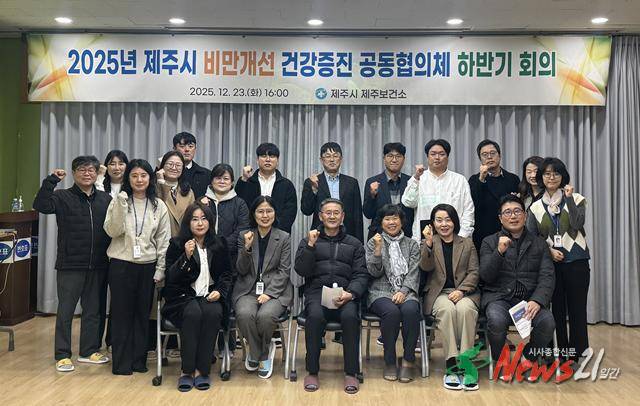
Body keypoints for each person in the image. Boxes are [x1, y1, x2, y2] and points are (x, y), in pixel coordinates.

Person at [33, 156, 111, 372]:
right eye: (82, 170)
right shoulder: (62, 197)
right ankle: (62, 354)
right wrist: (51, 181)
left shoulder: (105, 199)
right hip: (70, 264)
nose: (87, 173)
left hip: (98, 264)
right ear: (74, 173)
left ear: (96, 173)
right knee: (66, 311)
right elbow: (40, 205)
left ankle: (88, 351)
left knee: (93, 311)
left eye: (91, 170)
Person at [104, 159, 171, 375]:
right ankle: (121, 363)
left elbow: (163, 240)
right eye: (134, 176)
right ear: (128, 178)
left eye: (143, 175)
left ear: (150, 178)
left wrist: (161, 269)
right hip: (121, 264)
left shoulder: (158, 205)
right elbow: (112, 231)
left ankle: (138, 360)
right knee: (121, 314)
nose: (139, 180)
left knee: (142, 314)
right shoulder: (119, 200)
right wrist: (121, 204)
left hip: (147, 266)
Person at [294, 198, 369, 394]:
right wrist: (310, 246)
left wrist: (351, 293)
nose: (332, 216)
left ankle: (351, 372)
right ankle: (312, 371)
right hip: (317, 293)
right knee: (315, 317)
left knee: (350, 317)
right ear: (320, 216)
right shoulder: (309, 240)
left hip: (345, 294)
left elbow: (361, 274)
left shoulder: (354, 243)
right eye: (328, 213)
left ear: (343, 216)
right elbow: (301, 270)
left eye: (336, 213)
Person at [479, 195, 555, 381]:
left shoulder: (539, 243)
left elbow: (547, 276)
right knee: (496, 320)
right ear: (500, 218)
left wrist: (537, 300)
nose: (513, 216)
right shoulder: (489, 242)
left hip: (529, 299)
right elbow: (485, 276)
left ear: (525, 215)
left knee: (547, 322)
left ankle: (528, 356)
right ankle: (501, 360)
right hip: (499, 298)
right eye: (507, 212)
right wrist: (499, 252)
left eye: (517, 211)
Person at [162, 202, 232, 392]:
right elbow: (171, 277)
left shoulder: (219, 244)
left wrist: (220, 291)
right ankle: (186, 371)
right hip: (183, 297)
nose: (200, 223)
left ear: (210, 222)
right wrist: (186, 257)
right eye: (194, 219)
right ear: (188, 222)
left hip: (210, 295)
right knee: (193, 313)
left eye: (203, 219)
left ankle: (202, 370)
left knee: (212, 313)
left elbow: (227, 274)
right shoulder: (177, 244)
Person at [527, 157, 590, 361]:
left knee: (577, 309)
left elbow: (577, 223)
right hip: (551, 264)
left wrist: (568, 199)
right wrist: (549, 250)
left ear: (563, 176)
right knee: (557, 310)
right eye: (547, 173)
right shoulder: (535, 207)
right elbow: (532, 237)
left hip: (577, 262)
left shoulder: (577, 198)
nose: (551, 177)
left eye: (556, 173)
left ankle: (577, 353)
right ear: (541, 177)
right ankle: (561, 352)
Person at [420, 204, 480, 390]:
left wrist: (461, 290)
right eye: (439, 220)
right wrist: (428, 244)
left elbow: (474, 272)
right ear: (433, 223)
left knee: (466, 309)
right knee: (447, 310)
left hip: (464, 292)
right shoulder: (428, 243)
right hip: (439, 293)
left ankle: (467, 363)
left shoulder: (467, 243)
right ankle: (452, 365)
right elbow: (425, 267)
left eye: (448, 220)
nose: (444, 224)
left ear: (455, 222)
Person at [234, 196, 293, 379]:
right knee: (244, 314)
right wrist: (247, 248)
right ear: (254, 214)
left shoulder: (284, 237)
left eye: (269, 211)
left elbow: (284, 271)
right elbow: (241, 269)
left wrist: (269, 293)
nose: (265, 215)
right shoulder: (245, 235)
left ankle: (257, 353)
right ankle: (262, 352)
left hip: (276, 291)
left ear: (275, 213)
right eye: (260, 211)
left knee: (266, 316)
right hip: (248, 289)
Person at [365, 204, 420, 382]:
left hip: (407, 291)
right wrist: (378, 251)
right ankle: (389, 360)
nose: (391, 222)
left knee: (411, 310)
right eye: (387, 219)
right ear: (381, 222)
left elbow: (414, 272)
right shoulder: (373, 242)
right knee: (391, 312)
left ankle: (408, 360)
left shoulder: (412, 244)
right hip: (380, 291)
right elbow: (373, 273)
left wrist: (403, 291)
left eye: (395, 218)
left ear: (401, 221)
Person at [401, 139, 474, 241]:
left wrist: (462, 236)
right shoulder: (419, 179)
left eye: (441, 154)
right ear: (427, 157)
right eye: (433, 154)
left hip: (455, 237)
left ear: (447, 157)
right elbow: (408, 202)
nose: (437, 157)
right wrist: (416, 178)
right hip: (425, 238)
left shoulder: (459, 180)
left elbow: (468, 211)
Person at [95, 149, 129, 349]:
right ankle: (95, 342)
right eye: (112, 163)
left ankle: (113, 340)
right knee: (98, 297)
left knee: (118, 299)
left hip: (123, 248)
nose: (117, 168)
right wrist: (99, 177)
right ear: (106, 166)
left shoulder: (132, 187)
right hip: (101, 246)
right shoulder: (99, 186)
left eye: (121, 163)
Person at [301, 142, 364, 243]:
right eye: (327, 156)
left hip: (347, 235)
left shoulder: (352, 183)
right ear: (321, 160)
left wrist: (359, 242)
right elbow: (306, 210)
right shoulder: (312, 181)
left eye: (335, 156)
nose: (332, 159)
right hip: (320, 235)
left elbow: (357, 215)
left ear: (341, 159)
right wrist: (314, 189)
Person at [468, 140, 520, 251]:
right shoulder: (474, 180)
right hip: (484, 235)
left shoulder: (513, 179)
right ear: (480, 159)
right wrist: (481, 178)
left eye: (493, 153)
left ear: (499, 156)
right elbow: (473, 205)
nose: (489, 157)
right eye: (485, 154)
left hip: (510, 233)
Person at [235, 142, 298, 234]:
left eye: (272, 156)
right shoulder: (248, 182)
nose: (268, 160)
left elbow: (290, 213)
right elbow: (239, 205)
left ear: (277, 160)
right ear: (257, 160)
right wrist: (244, 179)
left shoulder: (287, 185)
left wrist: (277, 233)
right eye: (264, 156)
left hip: (278, 235)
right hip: (250, 233)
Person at [201, 163, 250, 269]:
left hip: (231, 257)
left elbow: (242, 229)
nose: (222, 181)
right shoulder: (202, 202)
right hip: (204, 255)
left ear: (232, 182)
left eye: (226, 178)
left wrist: (222, 246)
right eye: (218, 178)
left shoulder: (240, 204)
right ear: (211, 181)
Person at [363, 142, 414, 240]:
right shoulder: (372, 182)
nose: (394, 160)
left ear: (404, 159)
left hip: (406, 236)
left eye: (398, 156)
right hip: (379, 236)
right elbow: (368, 214)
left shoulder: (411, 182)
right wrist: (372, 196)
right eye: (390, 156)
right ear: (384, 158)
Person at [156, 150, 196, 236]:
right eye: (170, 164)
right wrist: (161, 182)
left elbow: (192, 219)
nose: (174, 168)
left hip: (182, 240)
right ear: (162, 166)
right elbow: (157, 209)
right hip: (161, 238)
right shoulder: (154, 188)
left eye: (178, 165)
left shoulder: (188, 192)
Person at [173, 132, 210, 198]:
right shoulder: (165, 173)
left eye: (190, 146)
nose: (187, 150)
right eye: (182, 146)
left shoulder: (206, 174)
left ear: (195, 149)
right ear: (174, 149)